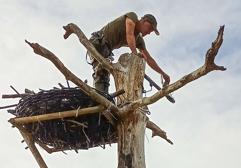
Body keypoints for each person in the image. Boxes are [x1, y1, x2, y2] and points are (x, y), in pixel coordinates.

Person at [88, 12, 170, 93]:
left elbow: (148, 58)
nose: (149, 32)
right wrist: (135, 54)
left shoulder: (138, 40)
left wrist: (163, 74)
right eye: (149, 28)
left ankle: (102, 96)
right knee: (102, 71)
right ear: (143, 20)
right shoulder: (132, 17)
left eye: (151, 31)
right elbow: (129, 34)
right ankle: (99, 97)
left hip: (106, 50)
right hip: (98, 42)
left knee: (104, 75)